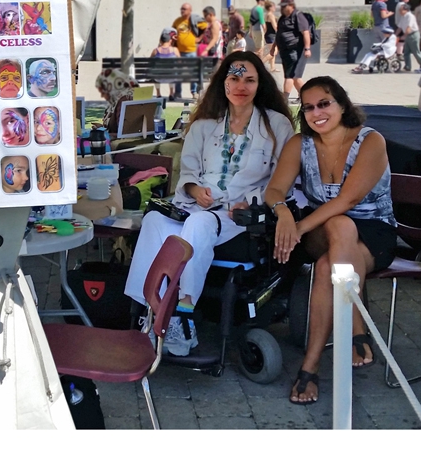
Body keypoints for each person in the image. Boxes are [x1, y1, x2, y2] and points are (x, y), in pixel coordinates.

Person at [125, 51, 294, 356]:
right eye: (234, 78)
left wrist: (251, 203)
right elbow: (187, 173)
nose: (241, 85)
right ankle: (149, 312)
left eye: (249, 79)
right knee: (153, 221)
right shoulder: (204, 125)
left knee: (199, 223)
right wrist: (192, 188)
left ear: (260, 84)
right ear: (223, 83)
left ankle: (182, 317)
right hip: (196, 204)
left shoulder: (277, 125)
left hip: (239, 214)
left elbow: (282, 179)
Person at [265, 76, 397, 404]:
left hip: (374, 233)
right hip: (322, 233)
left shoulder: (370, 141)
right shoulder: (301, 144)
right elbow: (274, 190)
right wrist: (283, 214)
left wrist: (299, 227)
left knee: (327, 266)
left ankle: (309, 368)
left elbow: (349, 200)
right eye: (308, 107)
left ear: (341, 104)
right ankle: (357, 328)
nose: (316, 112)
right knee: (337, 227)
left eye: (324, 103)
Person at [271, 0, 311, 102]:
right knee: (296, 77)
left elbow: (306, 33)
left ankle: (284, 99)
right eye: (281, 6)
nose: (282, 8)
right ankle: (305, 96)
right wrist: (274, 47)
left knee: (290, 76)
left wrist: (307, 48)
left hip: (296, 51)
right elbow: (279, 34)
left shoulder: (298, 16)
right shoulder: (283, 18)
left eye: (284, 6)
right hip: (285, 51)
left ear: (291, 5)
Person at [171, 2, 207, 101]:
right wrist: (173, 37)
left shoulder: (194, 20)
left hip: (192, 51)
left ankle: (194, 91)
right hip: (179, 51)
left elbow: (205, 28)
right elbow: (172, 31)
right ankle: (178, 92)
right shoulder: (178, 21)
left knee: (193, 72)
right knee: (178, 72)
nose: (182, 10)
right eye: (181, 9)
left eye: (184, 9)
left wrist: (199, 38)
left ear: (190, 10)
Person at [94, 68, 139, 134]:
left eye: (103, 92)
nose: (102, 96)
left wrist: (103, 133)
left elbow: (122, 132)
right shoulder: (119, 99)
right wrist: (102, 128)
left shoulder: (124, 100)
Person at [150, 28, 180, 98]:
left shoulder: (155, 50)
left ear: (161, 41)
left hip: (158, 77)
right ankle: (171, 93)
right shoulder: (175, 50)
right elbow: (180, 62)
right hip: (171, 76)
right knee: (173, 71)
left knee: (155, 71)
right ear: (170, 40)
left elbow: (150, 61)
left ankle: (158, 93)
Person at [395, 3, 421, 73]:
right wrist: (395, 35)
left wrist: (404, 36)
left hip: (413, 35)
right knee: (406, 52)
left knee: (416, 52)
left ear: (405, 10)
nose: (399, 11)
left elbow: (408, 28)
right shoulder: (403, 16)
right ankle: (407, 67)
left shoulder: (410, 16)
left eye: (401, 10)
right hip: (408, 35)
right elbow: (400, 27)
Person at [262, 0, 279, 72]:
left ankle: (272, 67)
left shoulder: (266, 15)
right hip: (272, 35)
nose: (275, 8)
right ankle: (260, 63)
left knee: (272, 51)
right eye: (274, 6)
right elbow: (275, 26)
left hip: (268, 34)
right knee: (274, 52)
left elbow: (265, 27)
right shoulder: (271, 15)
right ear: (270, 7)